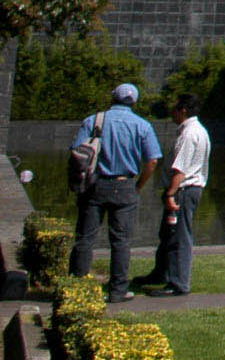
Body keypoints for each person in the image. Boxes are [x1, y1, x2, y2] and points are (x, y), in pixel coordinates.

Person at [69, 82, 162, 301]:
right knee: (121, 241)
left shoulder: (94, 121)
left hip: (95, 184)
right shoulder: (143, 126)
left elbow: (76, 151)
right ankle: (118, 291)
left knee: (85, 238)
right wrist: (139, 185)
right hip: (125, 185)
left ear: (113, 98)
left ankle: (77, 288)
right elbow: (152, 160)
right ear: (134, 102)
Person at [144, 93, 210, 296]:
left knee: (179, 237)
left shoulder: (189, 134)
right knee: (168, 233)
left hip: (183, 190)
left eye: (174, 108)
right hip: (185, 189)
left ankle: (178, 283)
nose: (171, 112)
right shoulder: (197, 131)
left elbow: (180, 169)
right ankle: (161, 273)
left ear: (183, 110)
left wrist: (170, 194)